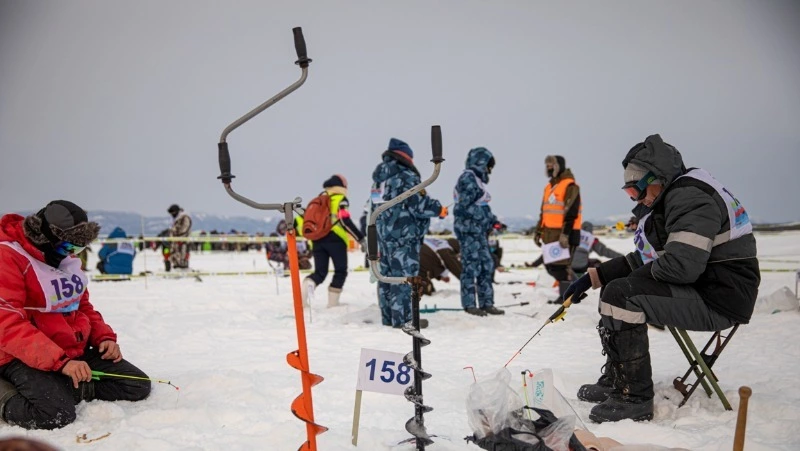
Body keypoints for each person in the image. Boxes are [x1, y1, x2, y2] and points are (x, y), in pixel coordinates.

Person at [563, 134, 759, 423]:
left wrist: (624, 282)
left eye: (638, 191)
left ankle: (634, 397)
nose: (639, 200)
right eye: (631, 194)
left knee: (621, 295)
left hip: (721, 297)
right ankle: (620, 378)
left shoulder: (690, 197)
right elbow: (647, 259)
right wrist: (594, 277)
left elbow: (681, 266)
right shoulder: (676, 196)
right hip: (708, 287)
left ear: (659, 178)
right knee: (617, 291)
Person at [0, 200, 151, 430]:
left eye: (78, 249)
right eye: (67, 248)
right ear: (46, 238)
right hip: (17, 355)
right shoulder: (8, 257)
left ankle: (63, 387)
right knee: (54, 414)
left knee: (136, 385)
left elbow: (82, 306)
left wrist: (104, 337)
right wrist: (60, 363)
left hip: (66, 351)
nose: (71, 255)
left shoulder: (63, 260)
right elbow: (7, 325)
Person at [372, 138, 446, 328]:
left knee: (387, 277)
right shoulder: (406, 176)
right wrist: (439, 209)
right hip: (404, 236)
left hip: (383, 236)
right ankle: (404, 320)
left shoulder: (379, 180)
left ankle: (389, 318)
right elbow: (419, 205)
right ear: (407, 158)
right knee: (405, 277)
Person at [454, 147, 505, 316]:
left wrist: (494, 221)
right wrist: (484, 221)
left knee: (486, 266)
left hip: (479, 233)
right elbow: (463, 207)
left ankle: (486, 303)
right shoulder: (467, 178)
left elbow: (482, 207)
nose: (490, 170)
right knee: (471, 267)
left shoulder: (476, 180)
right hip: (469, 232)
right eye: (489, 165)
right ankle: (469, 305)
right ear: (482, 163)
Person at [301, 175, 365, 307]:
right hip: (336, 240)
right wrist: (360, 238)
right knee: (340, 271)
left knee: (320, 273)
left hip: (317, 239)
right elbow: (345, 220)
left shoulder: (319, 200)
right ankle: (332, 303)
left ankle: (303, 298)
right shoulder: (341, 199)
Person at [533, 155, 582, 303]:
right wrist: (538, 231)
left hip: (565, 233)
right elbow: (544, 212)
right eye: (546, 165)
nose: (548, 168)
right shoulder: (549, 187)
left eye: (551, 165)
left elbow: (571, 213)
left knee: (562, 267)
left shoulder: (570, 186)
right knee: (550, 266)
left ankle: (567, 295)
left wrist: (565, 234)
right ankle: (575, 289)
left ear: (558, 166)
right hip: (549, 234)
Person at [528, 221, 622, 276]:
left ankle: (535, 264)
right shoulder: (591, 239)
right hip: (582, 267)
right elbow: (605, 252)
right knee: (597, 261)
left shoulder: (572, 236)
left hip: (567, 266)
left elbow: (550, 251)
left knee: (552, 253)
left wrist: (536, 263)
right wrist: (622, 258)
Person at [167, 204, 192, 270]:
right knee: (175, 257)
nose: (172, 214)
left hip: (182, 242)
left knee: (182, 257)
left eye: (173, 212)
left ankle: (183, 269)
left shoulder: (185, 218)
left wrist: (174, 232)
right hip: (175, 243)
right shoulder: (175, 220)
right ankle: (176, 267)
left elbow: (184, 229)